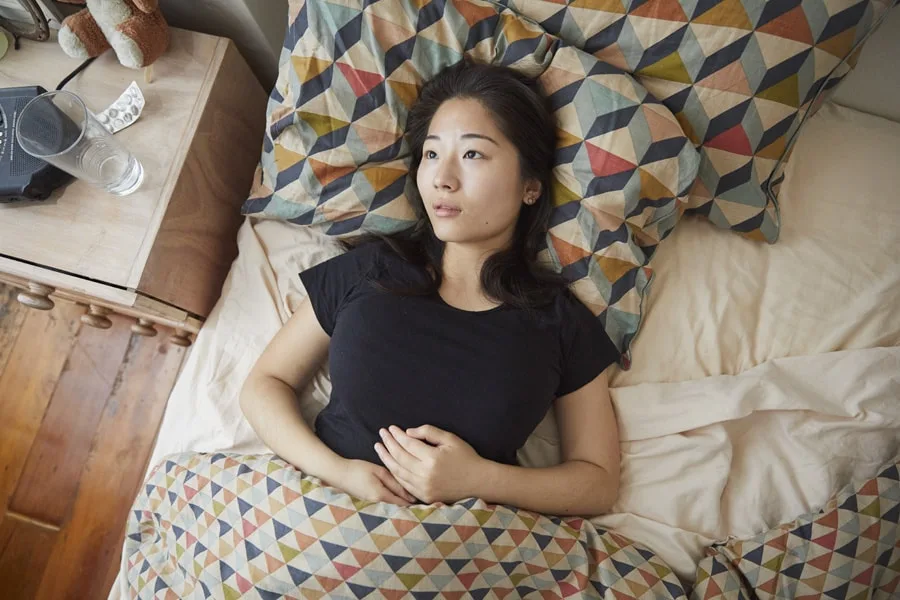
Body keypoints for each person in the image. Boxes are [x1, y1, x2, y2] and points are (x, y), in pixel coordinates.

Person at [240, 59, 621, 517]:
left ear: (531, 187)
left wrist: (480, 478)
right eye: (432, 154)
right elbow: (264, 385)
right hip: (321, 512)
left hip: (456, 547)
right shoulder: (371, 268)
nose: (442, 178)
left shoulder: (560, 321)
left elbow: (598, 483)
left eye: (473, 154)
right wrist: (340, 472)